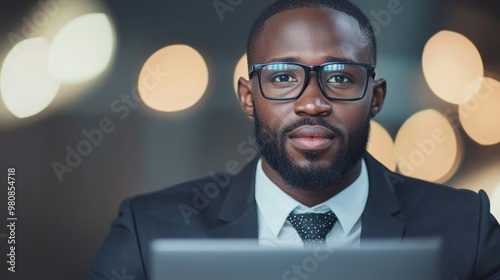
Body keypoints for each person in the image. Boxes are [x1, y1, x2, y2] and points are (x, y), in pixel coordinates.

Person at [89, 0, 500, 279]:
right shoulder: (150, 233)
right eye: (284, 77)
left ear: (375, 98)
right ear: (248, 98)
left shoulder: (468, 228)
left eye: (339, 77)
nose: (313, 103)